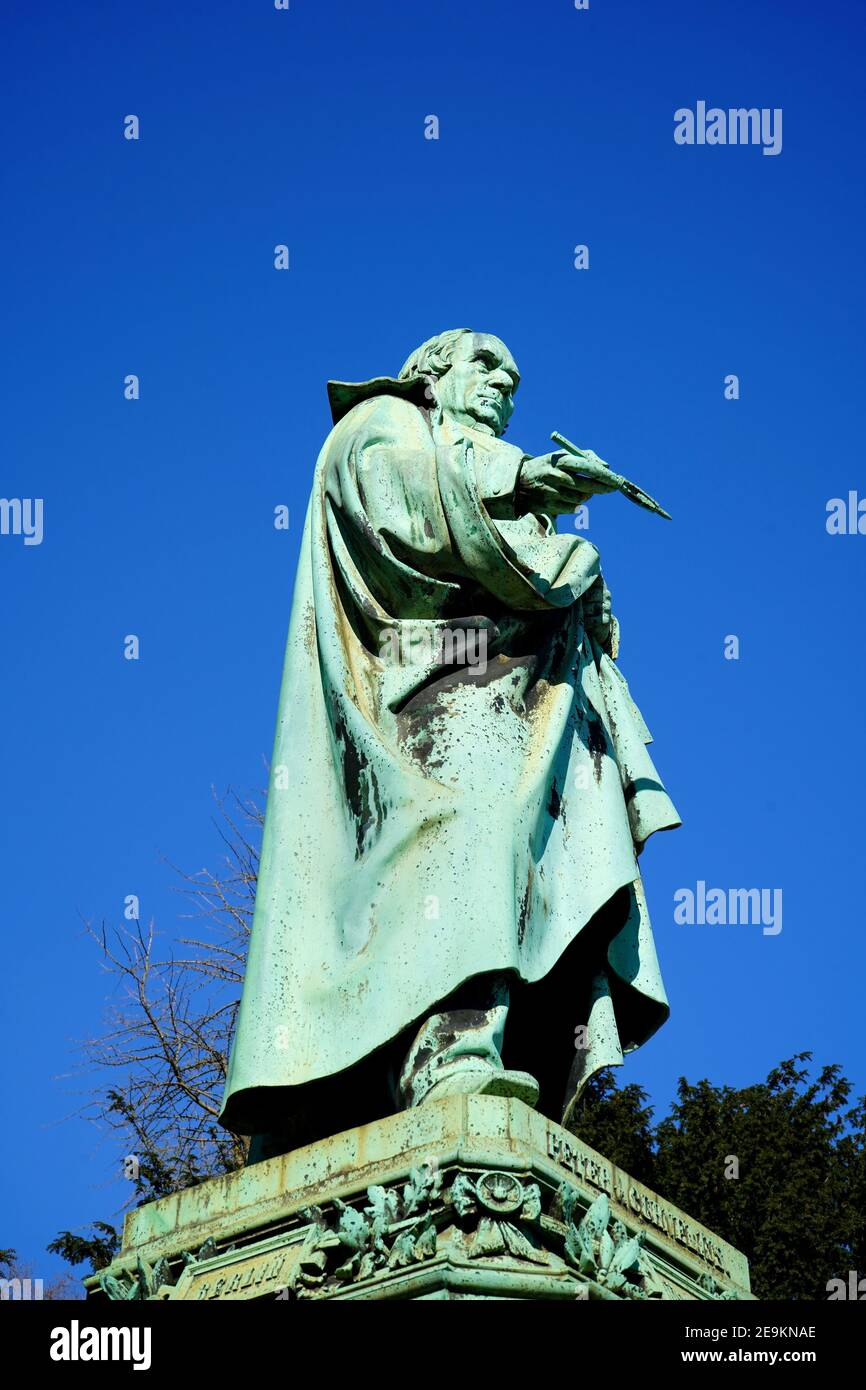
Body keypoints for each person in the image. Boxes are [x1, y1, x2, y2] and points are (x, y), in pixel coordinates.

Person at [219, 329, 680, 1159]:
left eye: (516, 377)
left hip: (511, 695)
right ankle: (445, 1056)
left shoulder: (487, 472)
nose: (505, 384)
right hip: (415, 695)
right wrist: (528, 482)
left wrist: (578, 578)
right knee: (469, 831)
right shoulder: (383, 424)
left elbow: (545, 580)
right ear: (433, 374)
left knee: (528, 856)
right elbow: (410, 505)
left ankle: (484, 1050)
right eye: (488, 365)